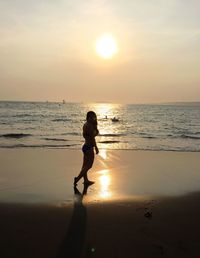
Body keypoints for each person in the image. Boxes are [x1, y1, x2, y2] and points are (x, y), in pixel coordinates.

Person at [74, 111, 99, 186]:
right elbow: (92, 138)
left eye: (94, 117)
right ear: (87, 117)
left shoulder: (86, 124)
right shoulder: (89, 126)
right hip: (89, 147)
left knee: (85, 166)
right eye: (91, 117)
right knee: (89, 166)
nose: (92, 119)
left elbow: (88, 136)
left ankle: (86, 180)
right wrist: (96, 147)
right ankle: (77, 179)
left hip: (85, 146)